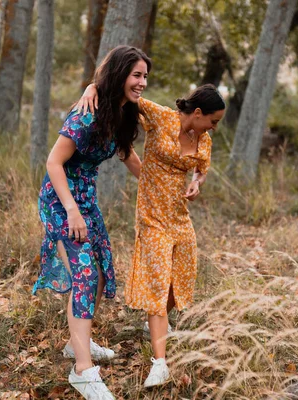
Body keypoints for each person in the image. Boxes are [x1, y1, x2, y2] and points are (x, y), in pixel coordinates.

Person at [78, 83, 225, 387]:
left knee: (178, 281)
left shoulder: (204, 138)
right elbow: (125, 93)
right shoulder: (161, 117)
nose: (214, 127)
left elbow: (201, 168)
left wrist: (197, 182)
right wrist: (93, 88)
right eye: (213, 120)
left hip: (179, 218)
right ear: (197, 113)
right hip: (152, 215)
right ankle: (160, 363)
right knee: (159, 282)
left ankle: (154, 324)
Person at [33, 45, 150, 400]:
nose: (143, 82)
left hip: (86, 199)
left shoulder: (120, 111)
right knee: (84, 273)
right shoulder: (87, 114)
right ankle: (82, 370)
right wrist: (70, 210)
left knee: (99, 271)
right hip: (61, 200)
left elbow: (127, 153)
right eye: (136, 75)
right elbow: (54, 162)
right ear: (119, 75)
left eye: (145, 75)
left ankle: (76, 343)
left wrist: (155, 187)